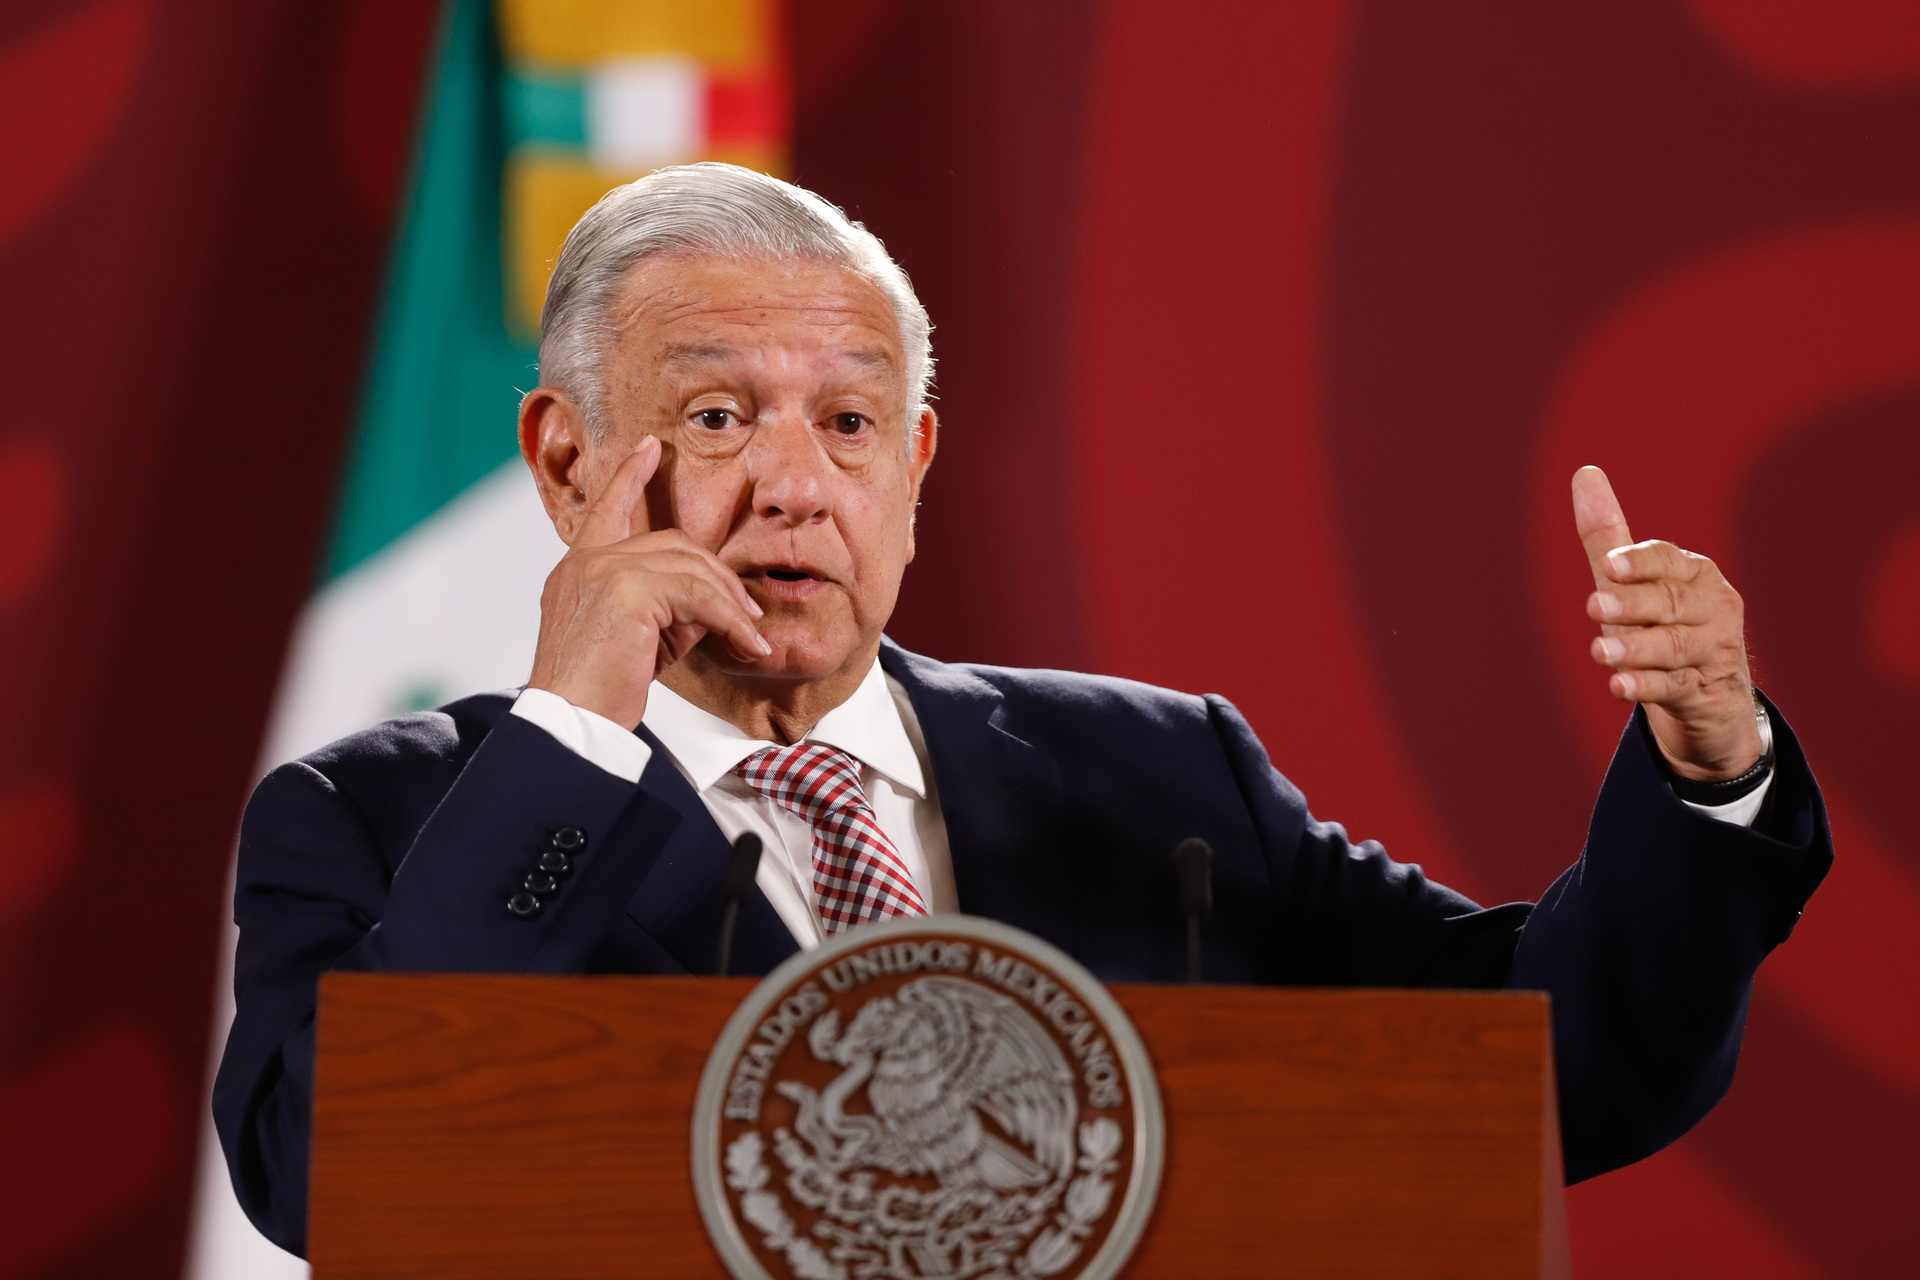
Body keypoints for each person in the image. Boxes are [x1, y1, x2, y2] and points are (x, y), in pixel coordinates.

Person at [214, 163, 1830, 1256]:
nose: (796, 486)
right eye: (716, 416)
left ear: (915, 468)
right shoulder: (378, 819)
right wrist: (573, 732)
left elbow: (1549, 1065)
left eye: (852, 424)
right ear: (567, 463)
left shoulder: (1160, 776)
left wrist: (1711, 774)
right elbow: (333, 1181)